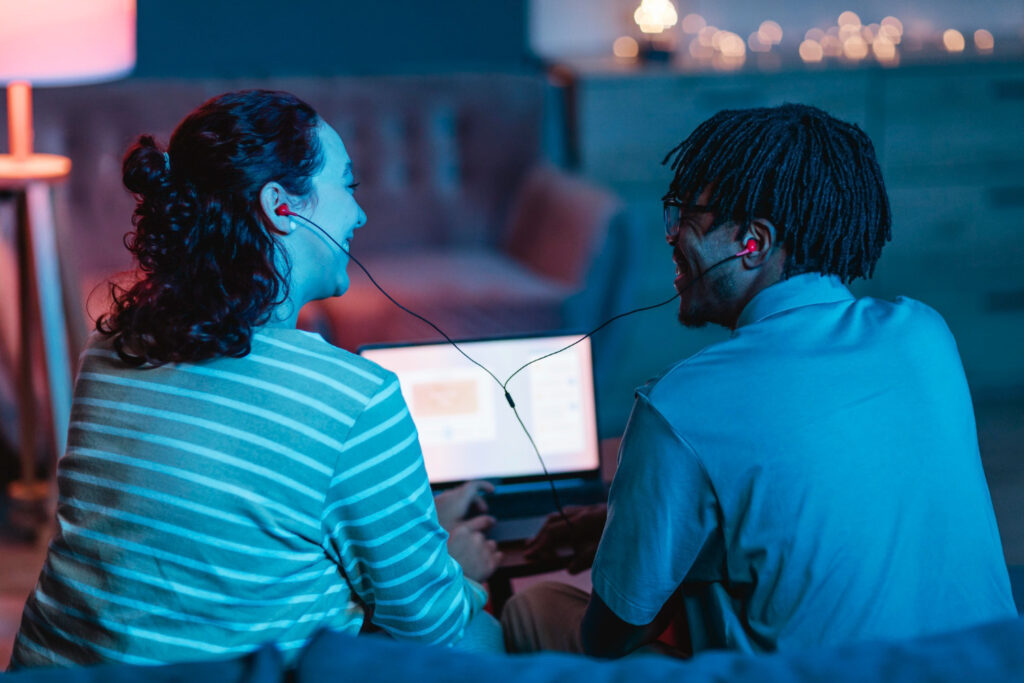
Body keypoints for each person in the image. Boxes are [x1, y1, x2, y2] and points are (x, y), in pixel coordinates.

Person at [10, 90, 504, 670]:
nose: (360, 214)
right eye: (347, 186)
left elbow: (211, 530)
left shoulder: (110, 348)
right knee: (482, 637)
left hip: (51, 672)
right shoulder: (354, 401)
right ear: (281, 207)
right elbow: (430, 626)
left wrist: (417, 528)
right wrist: (460, 568)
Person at [501, 103, 1017, 657]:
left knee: (533, 609)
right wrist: (625, 524)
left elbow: (611, 637)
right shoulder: (924, 335)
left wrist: (637, 548)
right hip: (990, 664)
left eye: (687, 215)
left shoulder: (681, 406)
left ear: (753, 243)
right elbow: (826, 499)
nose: (672, 236)